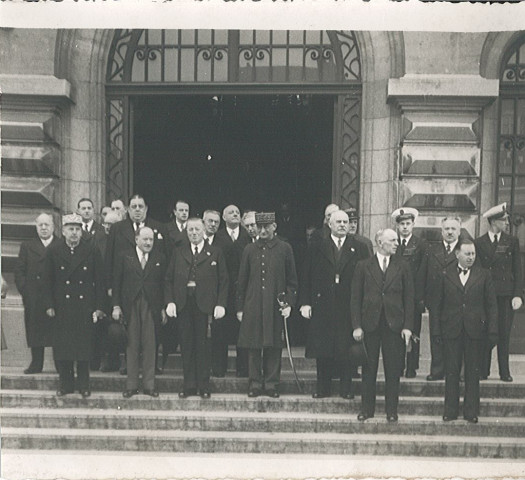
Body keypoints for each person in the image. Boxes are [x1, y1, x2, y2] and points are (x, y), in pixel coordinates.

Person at [300, 210, 369, 399]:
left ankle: (346, 389)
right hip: (323, 305)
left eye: (346, 222)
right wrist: (305, 303)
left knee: (346, 350)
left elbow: (366, 279)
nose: (343, 225)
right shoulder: (318, 246)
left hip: (348, 307)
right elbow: (307, 275)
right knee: (323, 349)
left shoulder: (359, 247)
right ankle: (323, 389)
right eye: (338, 221)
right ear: (329, 224)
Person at [351, 228, 413, 423]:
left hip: (394, 324)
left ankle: (391, 410)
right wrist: (357, 326)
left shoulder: (403, 266)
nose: (396, 243)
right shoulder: (363, 266)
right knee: (368, 369)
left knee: (393, 370)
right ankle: (366, 409)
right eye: (392, 240)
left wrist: (408, 326)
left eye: (396, 240)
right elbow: (355, 298)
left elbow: (409, 299)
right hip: (370, 324)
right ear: (380, 243)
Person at [432, 239, 498, 423]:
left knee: (472, 372)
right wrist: (436, 331)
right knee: (451, 371)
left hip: (475, 331)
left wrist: (492, 331)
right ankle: (450, 410)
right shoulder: (444, 275)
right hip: (451, 330)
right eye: (467, 254)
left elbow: (492, 306)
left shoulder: (484, 275)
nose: (471, 257)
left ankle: (471, 411)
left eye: (473, 254)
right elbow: (436, 305)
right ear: (457, 254)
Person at [42, 213, 106, 397]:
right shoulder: (54, 251)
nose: (74, 233)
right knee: (63, 348)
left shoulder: (91, 250)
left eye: (77, 229)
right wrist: (49, 305)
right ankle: (66, 384)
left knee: (83, 348)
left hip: (84, 306)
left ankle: (84, 384)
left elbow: (100, 282)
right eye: (70, 229)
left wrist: (100, 307)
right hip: (62, 307)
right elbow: (47, 281)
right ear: (63, 231)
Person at [165, 218, 229, 398]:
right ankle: (189, 385)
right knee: (186, 345)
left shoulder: (215, 252)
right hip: (184, 305)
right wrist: (170, 301)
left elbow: (224, 281)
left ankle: (204, 385)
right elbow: (168, 279)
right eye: (190, 230)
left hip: (205, 306)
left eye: (197, 229)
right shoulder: (179, 252)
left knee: (204, 346)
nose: (194, 233)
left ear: (203, 231)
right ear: (186, 232)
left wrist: (220, 304)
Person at [237, 212, 298, 398]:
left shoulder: (285, 248)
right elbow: (242, 281)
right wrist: (240, 307)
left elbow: (292, 281)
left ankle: (271, 383)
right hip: (253, 303)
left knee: (274, 345)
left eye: (266, 227)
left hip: (275, 304)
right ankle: (255, 383)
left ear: (274, 227)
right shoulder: (249, 249)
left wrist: (288, 303)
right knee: (254, 344)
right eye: (259, 227)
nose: (262, 230)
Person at [112, 227, 168, 398]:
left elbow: (165, 283)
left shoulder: (160, 257)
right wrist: (116, 306)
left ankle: (149, 385)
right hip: (130, 305)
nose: (149, 243)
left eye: (151, 239)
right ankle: (132, 385)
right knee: (132, 345)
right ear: (136, 240)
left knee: (150, 345)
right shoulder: (124, 256)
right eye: (145, 239)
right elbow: (116, 283)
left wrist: (164, 307)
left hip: (151, 305)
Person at [475, 202, 523, 382]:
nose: (507, 223)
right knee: (486, 330)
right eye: (504, 220)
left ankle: (505, 371)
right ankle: (483, 370)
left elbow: (518, 270)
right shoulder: (479, 243)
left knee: (504, 333)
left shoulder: (511, 241)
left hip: (505, 295)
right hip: (487, 295)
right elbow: (478, 272)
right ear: (494, 222)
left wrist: (517, 294)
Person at [14, 213, 59, 374]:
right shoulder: (27, 246)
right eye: (41, 225)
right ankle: (36, 363)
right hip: (34, 296)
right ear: (36, 227)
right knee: (35, 329)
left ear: (53, 226)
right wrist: (25, 290)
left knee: (57, 330)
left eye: (47, 224)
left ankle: (60, 364)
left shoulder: (60, 244)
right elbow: (19, 271)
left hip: (55, 297)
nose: (44, 228)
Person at [424, 216, 462, 381]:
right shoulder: (432, 250)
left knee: (456, 336)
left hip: (456, 302)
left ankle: (455, 371)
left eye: (453, 229)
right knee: (436, 335)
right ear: (441, 231)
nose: (450, 232)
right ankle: (437, 370)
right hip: (436, 301)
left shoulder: (464, 250)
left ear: (459, 231)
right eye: (447, 229)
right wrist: (424, 299)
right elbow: (423, 275)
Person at [214, 205, 250, 378]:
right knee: (220, 329)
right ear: (223, 216)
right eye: (231, 212)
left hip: (243, 290)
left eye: (237, 212)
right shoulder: (217, 237)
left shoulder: (247, 236)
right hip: (222, 290)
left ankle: (243, 369)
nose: (235, 214)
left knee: (243, 331)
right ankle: (219, 368)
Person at [392, 207, 428, 378]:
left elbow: (422, 272)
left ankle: (412, 366)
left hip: (414, 297)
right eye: (402, 224)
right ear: (397, 226)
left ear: (413, 224)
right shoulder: (392, 243)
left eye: (408, 224)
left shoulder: (420, 244)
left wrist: (420, 298)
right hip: (396, 296)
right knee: (397, 331)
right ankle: (398, 365)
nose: (405, 227)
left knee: (414, 332)